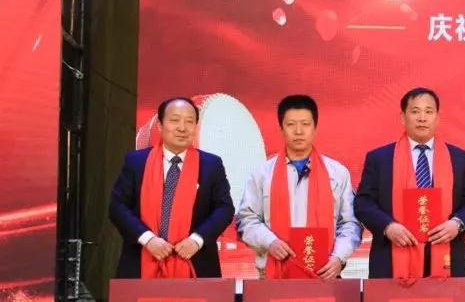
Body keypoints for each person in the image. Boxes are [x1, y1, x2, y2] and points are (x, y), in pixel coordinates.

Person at [354, 88, 465, 278]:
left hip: (446, 254)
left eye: (428, 111)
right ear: (402, 117)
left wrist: (457, 224)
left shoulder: (458, 158)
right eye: (415, 111)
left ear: (437, 117)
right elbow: (363, 203)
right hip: (393, 252)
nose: (422, 118)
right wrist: (387, 227)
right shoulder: (380, 158)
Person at [236, 95, 362, 279]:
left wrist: (338, 257)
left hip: (324, 274)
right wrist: (270, 242)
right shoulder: (262, 174)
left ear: (315, 127)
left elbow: (350, 222)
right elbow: (246, 220)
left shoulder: (337, 173)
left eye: (305, 124)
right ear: (281, 128)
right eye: (291, 124)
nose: (298, 131)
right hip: (274, 275)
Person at [108, 97, 235, 278]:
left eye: (189, 121)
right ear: (160, 126)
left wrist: (196, 240)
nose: (182, 128)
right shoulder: (136, 161)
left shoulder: (211, 164)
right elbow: (117, 207)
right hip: (141, 259)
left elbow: (224, 208)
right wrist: (148, 239)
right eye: (175, 120)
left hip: (196, 263)